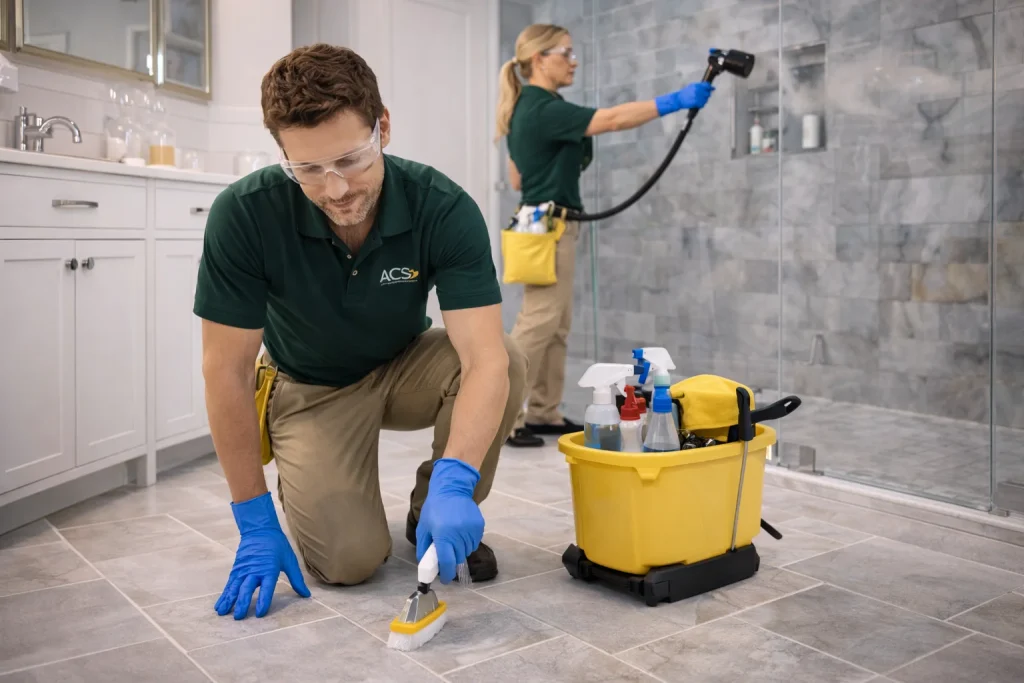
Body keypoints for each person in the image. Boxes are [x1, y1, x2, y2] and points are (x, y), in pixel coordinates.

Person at [194, 43, 527, 620]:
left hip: (403, 365)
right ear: (283, 156)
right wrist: (251, 516)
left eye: (351, 160)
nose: (336, 189)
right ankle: (308, 497)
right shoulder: (244, 215)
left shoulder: (441, 207)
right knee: (349, 562)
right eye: (309, 170)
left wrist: (457, 479)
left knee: (508, 357)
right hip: (309, 382)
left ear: (384, 128)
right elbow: (225, 370)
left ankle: (433, 510)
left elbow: (483, 361)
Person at [496, 24, 714, 448]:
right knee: (537, 324)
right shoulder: (542, 108)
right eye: (566, 52)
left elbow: (517, 175)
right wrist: (675, 101)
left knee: (555, 325)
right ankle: (503, 418)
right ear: (540, 59)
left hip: (548, 223)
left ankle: (543, 411)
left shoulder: (533, 107)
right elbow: (612, 120)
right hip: (550, 226)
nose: (574, 60)